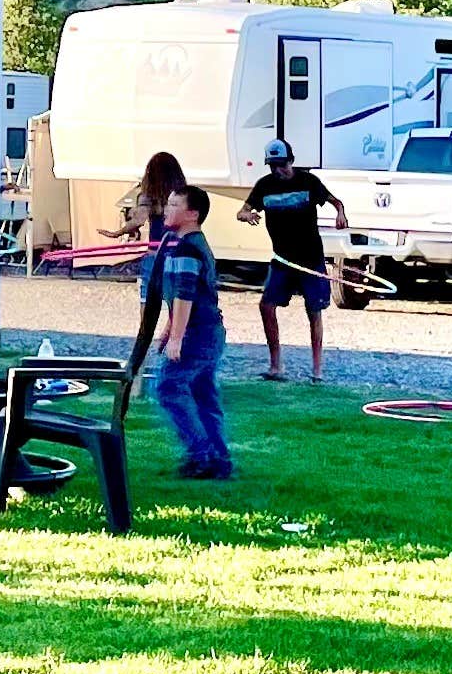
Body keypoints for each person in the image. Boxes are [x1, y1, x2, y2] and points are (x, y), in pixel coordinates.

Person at [238, 139, 347, 382]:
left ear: (291, 161)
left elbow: (335, 201)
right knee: (266, 306)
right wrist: (248, 215)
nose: (277, 170)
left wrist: (341, 214)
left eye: (281, 165)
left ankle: (317, 370)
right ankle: (276, 365)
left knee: (314, 311)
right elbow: (241, 211)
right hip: (282, 260)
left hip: (310, 258)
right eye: (272, 166)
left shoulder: (308, 182)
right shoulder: (264, 186)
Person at [148, 185, 233, 480]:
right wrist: (169, 328)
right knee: (202, 393)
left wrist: (177, 338)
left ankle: (202, 454)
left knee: (169, 387)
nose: (166, 210)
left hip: (198, 333)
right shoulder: (185, 245)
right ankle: (218, 458)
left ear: (192, 214)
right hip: (208, 331)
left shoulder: (187, 248)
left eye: (174, 205)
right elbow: (179, 296)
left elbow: (185, 295)